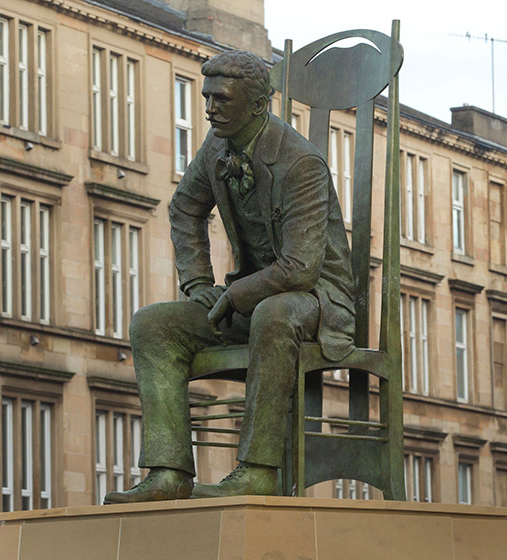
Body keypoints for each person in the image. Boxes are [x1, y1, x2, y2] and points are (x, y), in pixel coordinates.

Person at [104, 50, 355, 503]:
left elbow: (301, 267)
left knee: (275, 314)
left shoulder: (302, 164)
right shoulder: (217, 147)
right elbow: (184, 207)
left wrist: (235, 295)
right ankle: (168, 471)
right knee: (154, 324)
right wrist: (198, 284)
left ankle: (258, 472)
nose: (208, 108)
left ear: (257, 106)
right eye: (207, 97)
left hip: (316, 301)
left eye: (221, 99)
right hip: (252, 301)